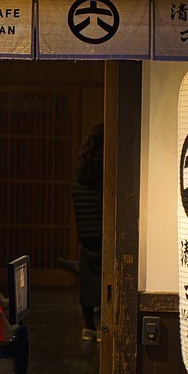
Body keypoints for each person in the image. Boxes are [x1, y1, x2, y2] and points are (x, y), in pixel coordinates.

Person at [71, 124, 103, 342]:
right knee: (105, 280)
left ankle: (89, 326)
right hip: (103, 233)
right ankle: (104, 328)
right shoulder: (106, 168)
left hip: (85, 233)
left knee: (87, 281)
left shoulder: (80, 170)